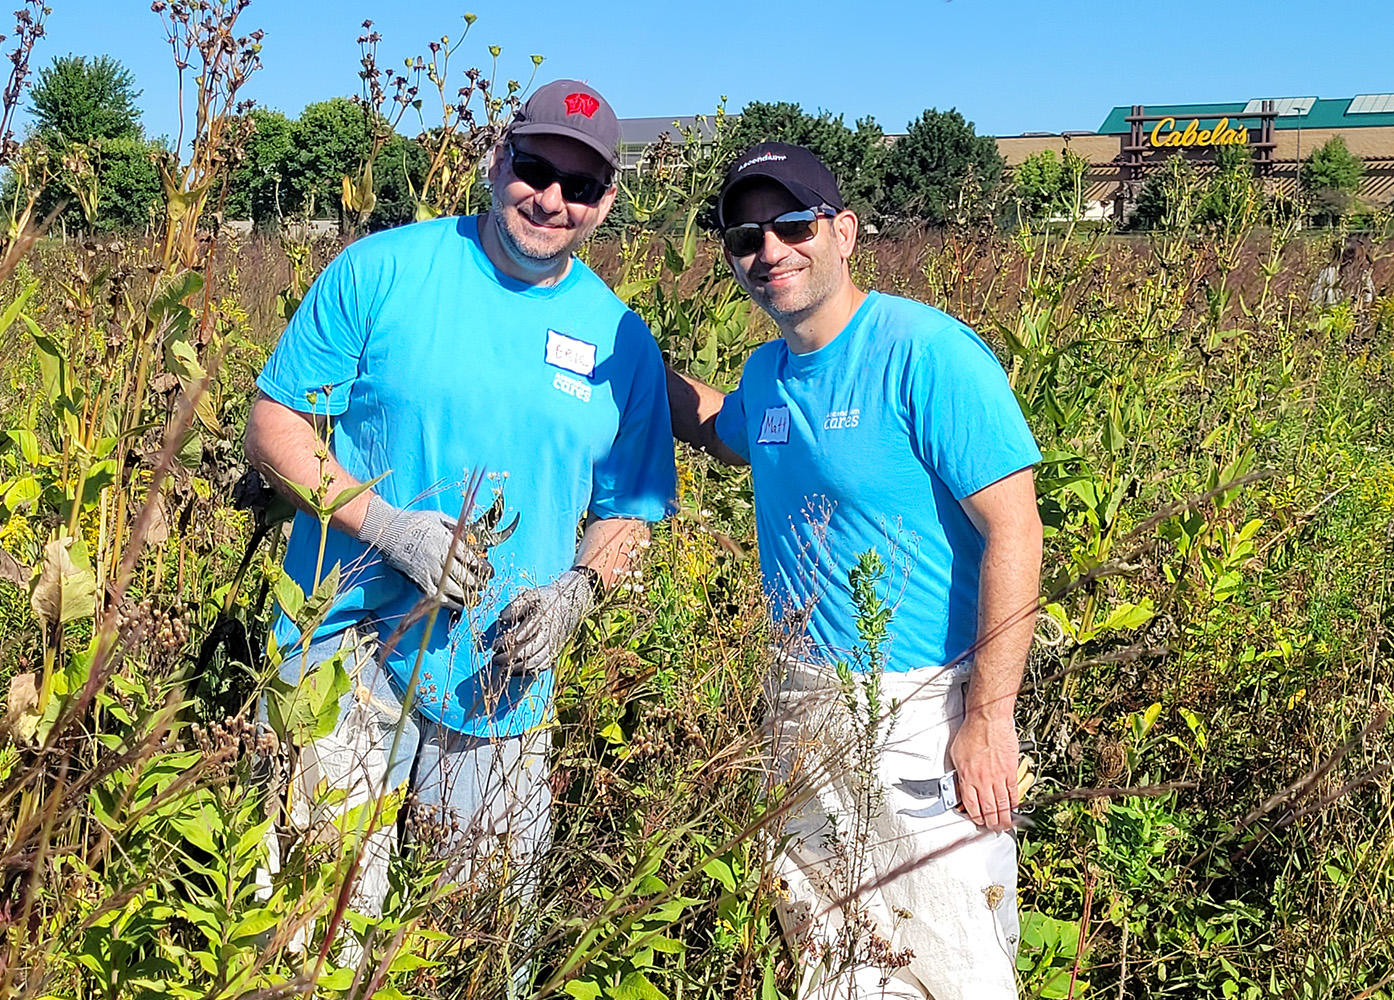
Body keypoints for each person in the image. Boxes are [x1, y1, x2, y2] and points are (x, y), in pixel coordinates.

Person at [245, 80, 675, 931]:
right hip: (338, 652)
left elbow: (630, 507)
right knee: (308, 933)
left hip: (499, 682)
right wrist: (390, 527)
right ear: (495, 158)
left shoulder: (620, 338)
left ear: (607, 203)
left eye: (580, 185)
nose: (551, 199)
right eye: (535, 167)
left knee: (474, 943)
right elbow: (274, 424)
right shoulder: (385, 270)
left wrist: (576, 594)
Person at [667, 143, 1042, 1000]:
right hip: (799, 697)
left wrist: (988, 716)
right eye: (745, 238)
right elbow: (725, 428)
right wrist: (618, 361)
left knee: (949, 953)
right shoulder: (769, 373)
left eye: (792, 225)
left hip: (919, 703)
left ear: (843, 232)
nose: (770, 252)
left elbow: (1016, 530)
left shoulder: (925, 352)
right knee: (829, 946)